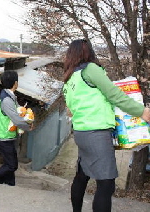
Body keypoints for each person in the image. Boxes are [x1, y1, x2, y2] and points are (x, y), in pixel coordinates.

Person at [62, 39, 150, 212]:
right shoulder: (90, 69)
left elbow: (70, 110)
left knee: (82, 175)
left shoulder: (70, 78)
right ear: (88, 52)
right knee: (106, 183)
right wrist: (141, 111)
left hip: (81, 132)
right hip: (96, 133)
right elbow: (114, 95)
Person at [0, 70, 31, 186]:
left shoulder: (8, 95)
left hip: (6, 136)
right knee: (12, 165)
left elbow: (17, 111)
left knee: (9, 162)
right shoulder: (6, 100)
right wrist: (28, 126)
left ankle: (10, 184)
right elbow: (16, 119)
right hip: (3, 137)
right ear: (15, 83)